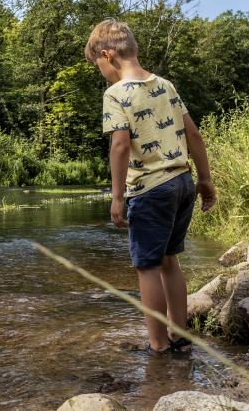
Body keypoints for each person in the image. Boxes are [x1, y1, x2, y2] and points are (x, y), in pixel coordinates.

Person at [85, 19, 216, 354]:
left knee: (147, 267)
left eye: (98, 65)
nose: (101, 72)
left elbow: (119, 145)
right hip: (182, 183)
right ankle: (179, 335)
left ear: (107, 55)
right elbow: (194, 134)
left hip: (149, 189)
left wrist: (116, 196)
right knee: (171, 260)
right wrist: (205, 179)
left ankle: (158, 344)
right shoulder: (166, 85)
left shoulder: (115, 94)